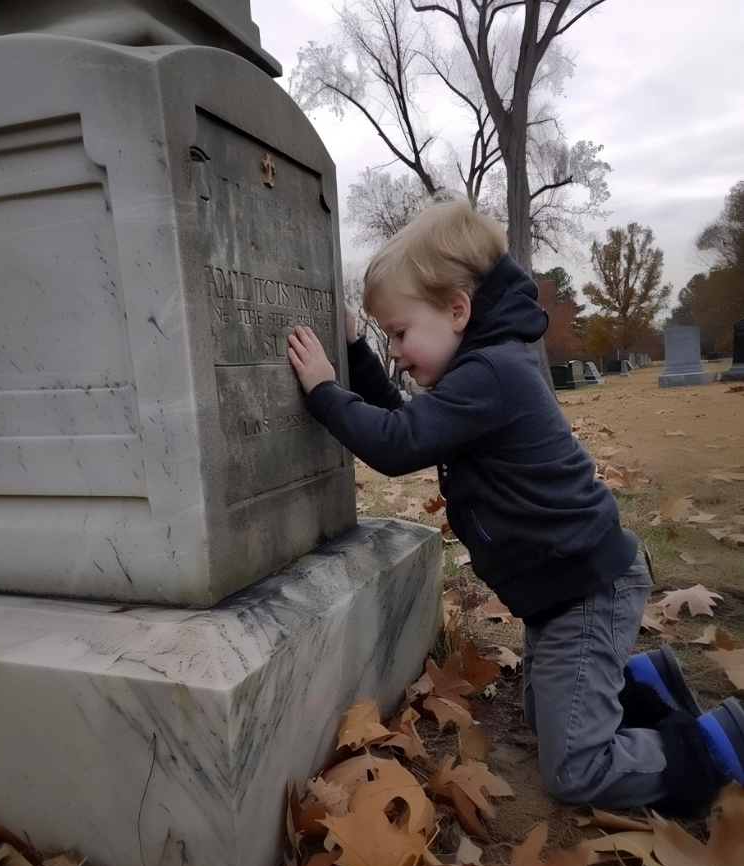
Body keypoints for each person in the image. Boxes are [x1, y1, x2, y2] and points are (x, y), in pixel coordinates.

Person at [286, 198, 744, 816]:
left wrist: (323, 389)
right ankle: (647, 686)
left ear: (456, 309)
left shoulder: (491, 375)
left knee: (576, 769)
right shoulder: (476, 370)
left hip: (585, 587)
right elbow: (404, 418)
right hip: (557, 591)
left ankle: (716, 747)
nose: (393, 350)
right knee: (543, 712)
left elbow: (396, 444)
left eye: (398, 334)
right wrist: (358, 353)